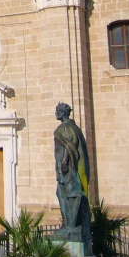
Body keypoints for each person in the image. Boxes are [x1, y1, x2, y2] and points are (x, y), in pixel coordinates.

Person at [54, 102, 91, 243]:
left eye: (58, 110)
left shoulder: (66, 128)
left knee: (69, 194)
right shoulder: (72, 127)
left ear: (64, 112)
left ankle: (71, 226)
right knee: (62, 193)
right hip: (65, 168)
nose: (56, 113)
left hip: (67, 169)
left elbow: (70, 147)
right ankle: (68, 224)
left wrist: (64, 163)